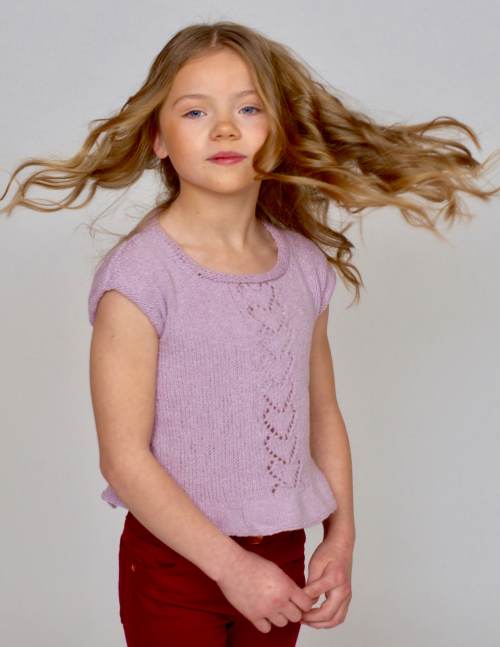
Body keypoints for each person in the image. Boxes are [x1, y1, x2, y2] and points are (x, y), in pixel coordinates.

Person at [2, 20, 499, 647]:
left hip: (283, 558)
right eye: (195, 111)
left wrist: (341, 537)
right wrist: (232, 567)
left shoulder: (303, 267)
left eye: (249, 108)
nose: (225, 129)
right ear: (158, 138)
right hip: (174, 567)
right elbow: (123, 459)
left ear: (279, 130)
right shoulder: (140, 277)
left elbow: (322, 413)